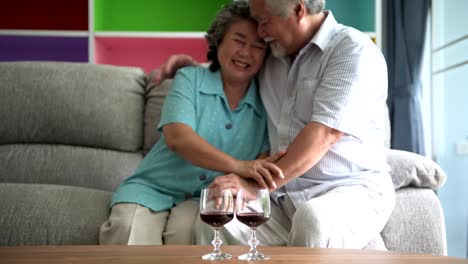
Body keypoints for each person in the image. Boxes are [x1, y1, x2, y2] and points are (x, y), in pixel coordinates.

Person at [155, 0, 396, 250]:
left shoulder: (351, 50)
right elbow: (236, 66)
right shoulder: (273, 55)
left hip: (349, 190)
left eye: (264, 20)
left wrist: (252, 185)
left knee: (312, 220)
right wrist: (189, 69)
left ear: (298, 10)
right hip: (282, 197)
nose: (260, 31)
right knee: (218, 216)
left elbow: (323, 134)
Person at [99, 1, 285, 245]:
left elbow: (260, 164)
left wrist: (242, 179)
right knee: (128, 228)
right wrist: (240, 166)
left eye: (258, 46)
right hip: (152, 188)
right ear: (218, 41)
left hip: (206, 197)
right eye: (238, 41)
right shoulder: (190, 78)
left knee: (191, 236)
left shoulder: (267, 101)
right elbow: (178, 138)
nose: (246, 53)